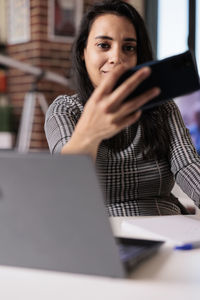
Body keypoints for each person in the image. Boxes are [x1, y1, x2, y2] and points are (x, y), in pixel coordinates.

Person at [45, 0, 200, 216]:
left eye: (129, 48)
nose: (117, 57)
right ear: (83, 51)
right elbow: (65, 183)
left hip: (166, 226)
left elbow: (188, 165)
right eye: (103, 45)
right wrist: (90, 133)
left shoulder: (162, 108)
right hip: (103, 233)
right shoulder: (64, 109)